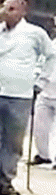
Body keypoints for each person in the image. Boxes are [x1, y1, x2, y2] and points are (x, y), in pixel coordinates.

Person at [0, 0, 55, 195]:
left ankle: (6, 182)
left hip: (21, 94)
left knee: (13, 142)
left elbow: (51, 56)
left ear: (23, 12)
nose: (6, 13)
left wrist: (41, 81)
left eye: (12, 9)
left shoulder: (35, 33)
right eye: (4, 8)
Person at [33, 35, 56, 167]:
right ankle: (43, 155)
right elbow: (41, 63)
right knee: (40, 127)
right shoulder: (51, 44)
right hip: (46, 91)